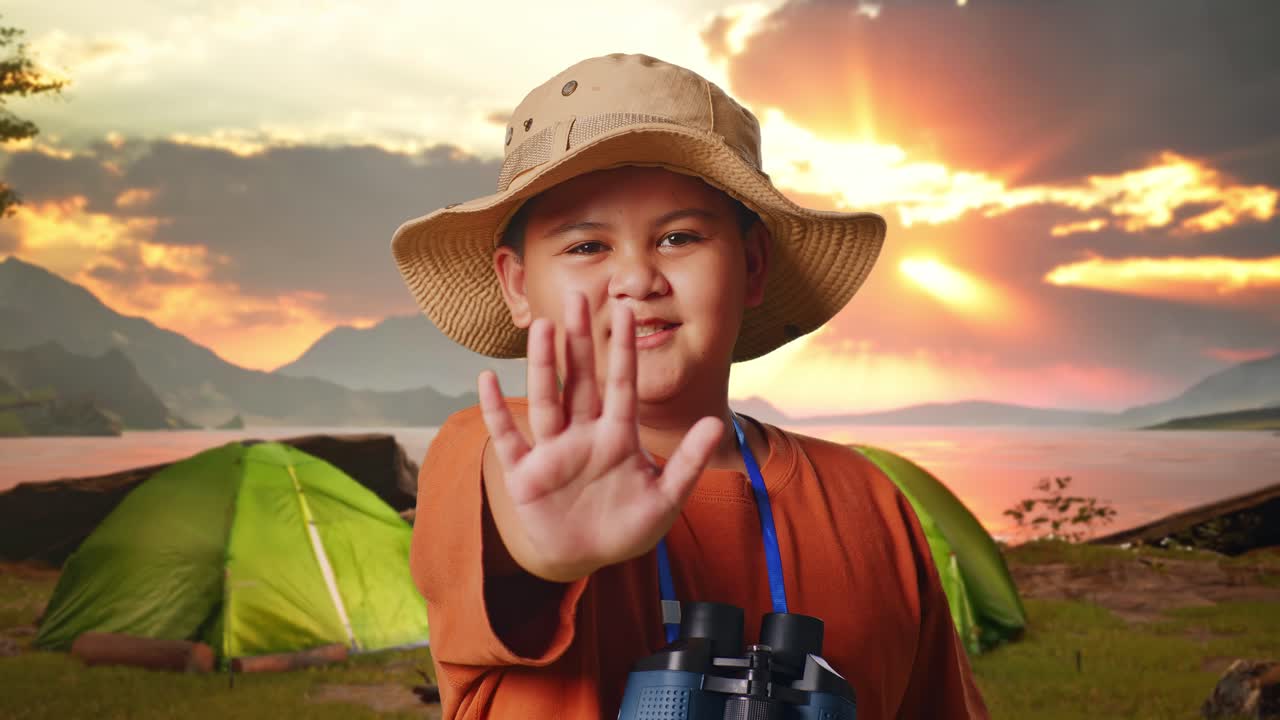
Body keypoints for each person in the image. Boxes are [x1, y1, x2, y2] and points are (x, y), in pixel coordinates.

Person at [391, 52, 989, 719]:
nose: (637, 279)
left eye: (679, 237)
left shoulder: (871, 501)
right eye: (586, 246)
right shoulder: (496, 452)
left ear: (753, 265)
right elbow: (510, 511)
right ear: (516, 284)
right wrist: (543, 557)